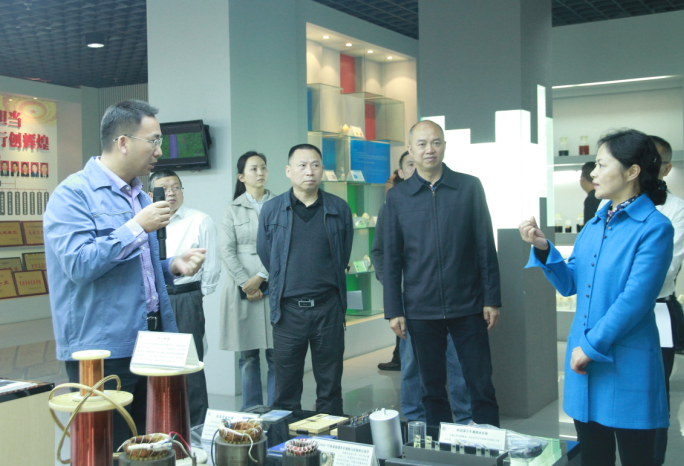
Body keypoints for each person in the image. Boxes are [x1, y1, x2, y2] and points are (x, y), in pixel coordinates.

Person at [44, 99, 206, 449]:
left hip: (151, 341)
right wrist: (136, 227)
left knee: (152, 446)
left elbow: (136, 267)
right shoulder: (73, 195)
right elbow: (79, 265)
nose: (159, 151)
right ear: (123, 142)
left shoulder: (138, 196)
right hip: (101, 351)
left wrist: (171, 266)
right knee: (109, 448)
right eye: (154, 141)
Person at [520, 129, 672, 466]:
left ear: (632, 172)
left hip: (625, 361)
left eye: (602, 165)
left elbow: (635, 300)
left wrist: (588, 348)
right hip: (584, 365)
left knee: (637, 458)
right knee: (593, 457)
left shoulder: (654, 227)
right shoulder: (595, 224)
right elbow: (570, 283)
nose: (593, 174)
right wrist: (543, 248)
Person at [384, 120, 501, 427]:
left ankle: (490, 446)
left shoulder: (469, 187)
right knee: (431, 388)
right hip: (420, 308)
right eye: (422, 144)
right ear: (410, 149)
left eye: (436, 142)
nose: (429, 150)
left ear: (445, 146)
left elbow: (485, 246)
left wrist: (491, 298)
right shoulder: (398, 197)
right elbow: (391, 258)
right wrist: (394, 309)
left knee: (481, 384)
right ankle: (437, 448)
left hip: (469, 303)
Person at [372, 150, 471, 424]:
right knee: (412, 364)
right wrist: (394, 287)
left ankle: (464, 422)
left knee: (457, 362)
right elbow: (379, 252)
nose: (416, 168)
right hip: (412, 300)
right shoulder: (393, 204)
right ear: (402, 172)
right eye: (409, 165)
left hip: (453, 300)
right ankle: (415, 421)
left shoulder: (450, 197)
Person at [257, 143, 353, 414]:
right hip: (288, 312)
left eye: (315, 165)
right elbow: (266, 254)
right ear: (289, 171)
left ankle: (329, 437)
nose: (309, 171)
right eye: (302, 165)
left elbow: (343, 254)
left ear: (322, 169)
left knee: (330, 388)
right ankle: (286, 439)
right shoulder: (272, 210)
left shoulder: (339, 208)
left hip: (328, 309)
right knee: (285, 391)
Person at [148, 168, 220, 427]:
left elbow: (212, 265)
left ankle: (197, 429)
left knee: (190, 368)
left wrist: (196, 296)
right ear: (150, 194)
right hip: (152, 302)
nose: (170, 193)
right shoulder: (145, 223)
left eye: (176, 187)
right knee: (155, 368)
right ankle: (162, 428)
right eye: (164, 189)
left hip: (185, 297)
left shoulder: (199, 220)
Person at [220, 151, 276, 410]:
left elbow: (283, 245)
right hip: (242, 288)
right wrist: (246, 283)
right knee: (248, 356)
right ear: (241, 176)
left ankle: (277, 411)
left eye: (263, 167)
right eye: (253, 169)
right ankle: (251, 412)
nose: (260, 172)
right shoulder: (231, 209)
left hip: (274, 283)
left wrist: (262, 277)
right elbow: (226, 250)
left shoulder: (280, 204)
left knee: (277, 355)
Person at [649, 135, 684, 466]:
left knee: (656, 392)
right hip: (613, 310)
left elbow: (664, 269)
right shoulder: (608, 205)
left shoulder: (676, 209)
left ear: (667, 168)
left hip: (658, 309)